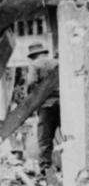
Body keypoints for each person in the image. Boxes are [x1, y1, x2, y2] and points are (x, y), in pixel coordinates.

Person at [25, 43, 59, 174]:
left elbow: (31, 83)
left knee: (45, 138)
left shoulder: (35, 65)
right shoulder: (57, 62)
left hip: (47, 105)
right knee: (67, 136)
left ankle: (45, 170)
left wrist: (33, 100)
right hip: (64, 104)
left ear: (33, 55)